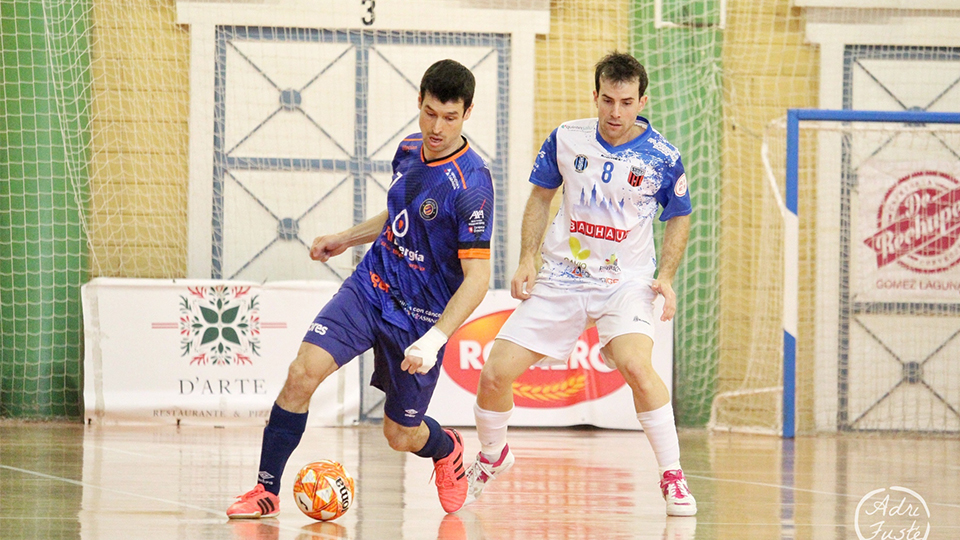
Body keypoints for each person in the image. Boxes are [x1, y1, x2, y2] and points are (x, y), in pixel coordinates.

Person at [226, 59, 494, 518]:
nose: (437, 127)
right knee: (302, 372)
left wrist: (434, 339)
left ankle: (446, 447)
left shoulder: (472, 187)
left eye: (450, 117)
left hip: (421, 319)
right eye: (430, 113)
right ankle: (265, 490)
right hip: (371, 287)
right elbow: (399, 215)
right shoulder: (409, 149)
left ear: (467, 113)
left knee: (399, 435)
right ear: (419, 103)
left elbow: (478, 280)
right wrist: (345, 238)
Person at [465, 52, 697, 517]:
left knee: (635, 365)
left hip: (625, 283)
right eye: (607, 100)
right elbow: (540, 198)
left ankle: (672, 474)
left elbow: (680, 217)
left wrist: (666, 278)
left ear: (641, 101)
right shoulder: (565, 139)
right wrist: (528, 256)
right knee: (494, 374)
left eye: (626, 102)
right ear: (595, 96)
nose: (615, 112)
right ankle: (493, 455)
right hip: (562, 278)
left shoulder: (662, 157)